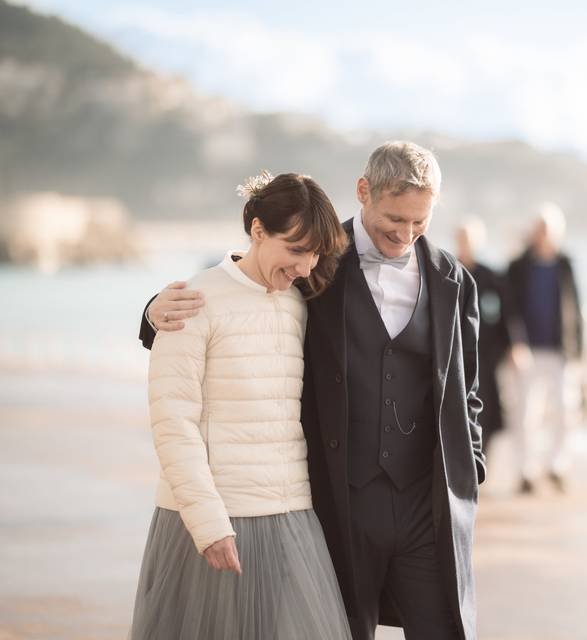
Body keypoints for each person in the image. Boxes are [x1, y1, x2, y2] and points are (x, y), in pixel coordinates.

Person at [139, 142, 485, 640]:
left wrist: (471, 463)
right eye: (394, 219)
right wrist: (154, 312)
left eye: (420, 223)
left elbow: (468, 387)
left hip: (425, 504)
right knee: (340, 630)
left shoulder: (454, 280)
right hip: (339, 499)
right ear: (363, 192)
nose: (405, 234)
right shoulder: (317, 257)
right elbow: (245, 286)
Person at [130, 172, 352, 639]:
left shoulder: (300, 303)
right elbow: (174, 423)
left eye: (314, 254)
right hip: (211, 520)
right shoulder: (192, 301)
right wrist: (209, 525)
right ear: (257, 231)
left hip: (291, 516)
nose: (305, 267)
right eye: (295, 250)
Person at [506, 202, 584, 494]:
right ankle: (526, 472)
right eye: (539, 228)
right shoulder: (517, 266)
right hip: (526, 351)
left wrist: (579, 353)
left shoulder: (566, 265)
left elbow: (576, 309)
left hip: (561, 350)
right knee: (526, 414)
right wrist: (514, 344)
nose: (543, 234)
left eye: (549, 229)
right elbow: (509, 309)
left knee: (566, 411)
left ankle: (556, 467)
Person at [454, 217, 527, 454]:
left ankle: (481, 462)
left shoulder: (492, 277)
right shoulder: (447, 271)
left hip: (486, 355)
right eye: (462, 239)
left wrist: (515, 345)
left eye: (470, 240)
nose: (466, 245)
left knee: (488, 410)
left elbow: (508, 313)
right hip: (454, 352)